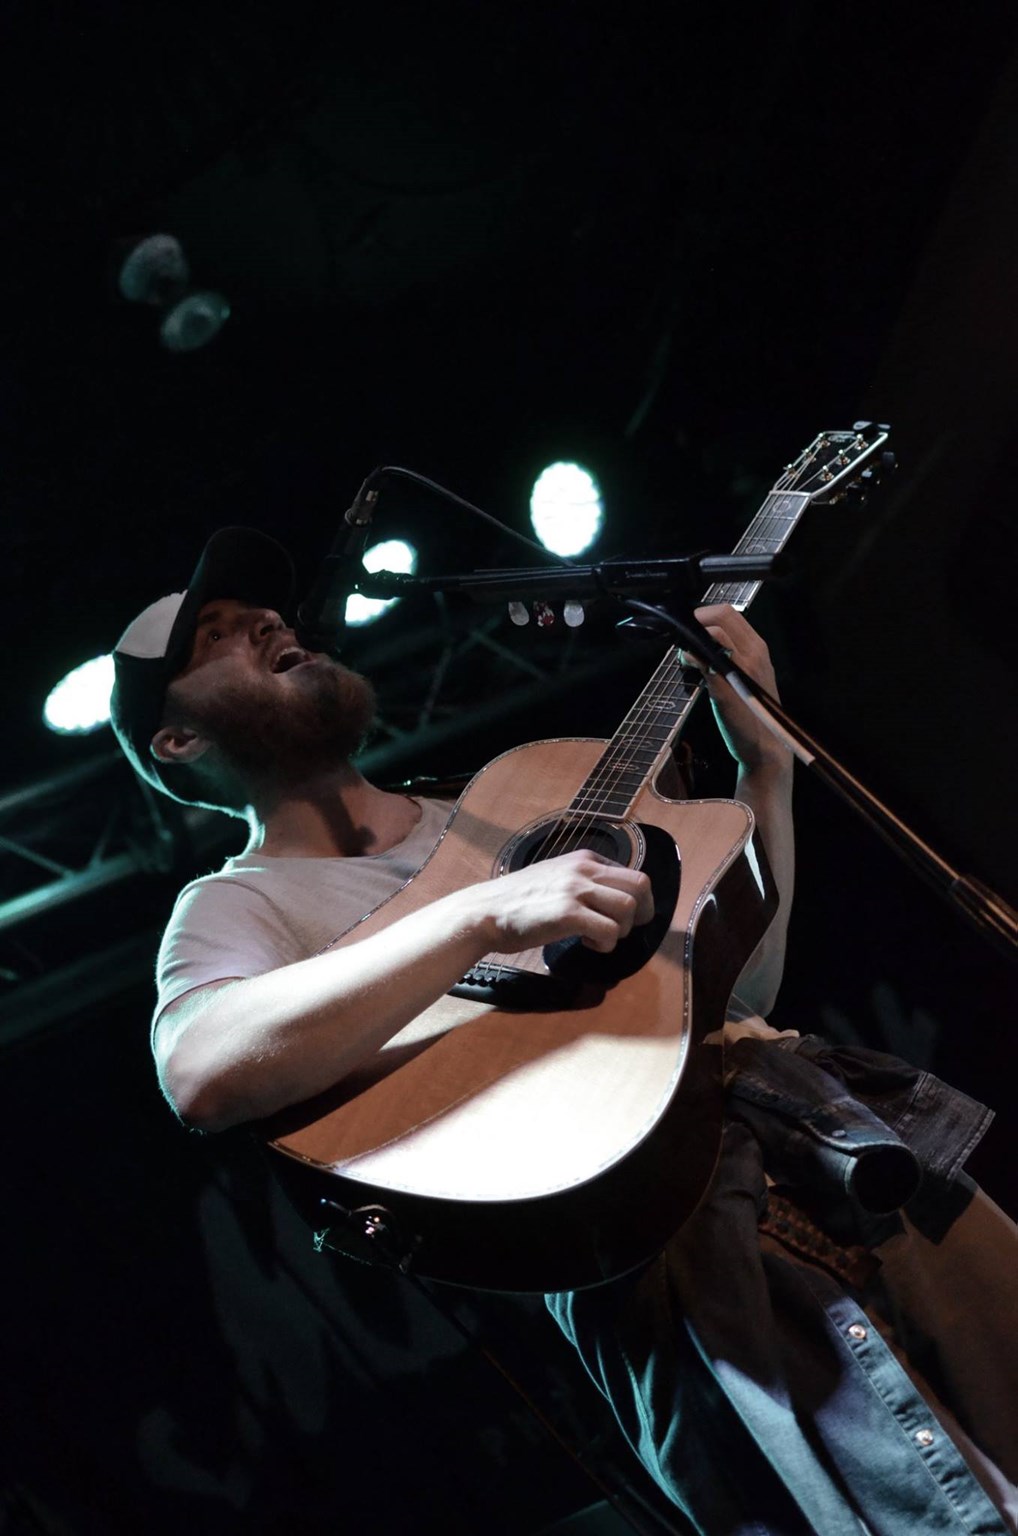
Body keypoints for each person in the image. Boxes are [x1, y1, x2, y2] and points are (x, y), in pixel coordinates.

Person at [111, 525, 1017, 1535]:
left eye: (266, 614)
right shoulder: (235, 905)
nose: (270, 623)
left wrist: (766, 771)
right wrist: (476, 918)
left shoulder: (506, 807)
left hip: (835, 1142)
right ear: (178, 739)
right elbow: (199, 1069)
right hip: (665, 1235)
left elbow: (733, 991)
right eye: (219, 638)